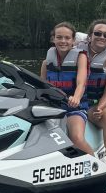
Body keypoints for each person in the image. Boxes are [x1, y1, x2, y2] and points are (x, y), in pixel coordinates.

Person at [40, 22, 95, 157]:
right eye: (59, 37)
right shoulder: (47, 62)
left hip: (75, 108)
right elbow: (42, 86)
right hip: (53, 108)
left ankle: (97, 166)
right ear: (53, 39)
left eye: (67, 38)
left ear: (73, 40)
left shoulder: (80, 57)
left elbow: (81, 83)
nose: (63, 41)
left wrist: (76, 98)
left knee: (76, 138)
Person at [75, 19, 106, 164]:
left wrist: (100, 108)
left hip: (93, 103)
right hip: (73, 100)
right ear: (90, 36)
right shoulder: (74, 52)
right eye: (98, 33)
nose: (102, 37)